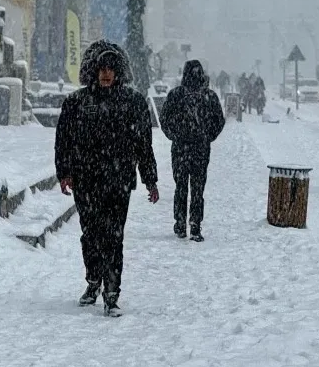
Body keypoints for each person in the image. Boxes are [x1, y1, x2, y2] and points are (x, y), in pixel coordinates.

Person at [55, 40, 160, 316]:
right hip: (86, 181)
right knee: (90, 234)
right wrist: (64, 172)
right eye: (101, 68)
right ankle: (93, 280)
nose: (106, 74)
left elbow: (143, 144)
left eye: (111, 69)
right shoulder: (77, 103)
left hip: (118, 181)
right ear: (93, 70)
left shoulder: (133, 103)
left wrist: (150, 179)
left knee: (114, 237)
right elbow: (63, 140)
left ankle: (112, 293)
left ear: (118, 71)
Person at [160, 60, 225, 241]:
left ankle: (180, 223)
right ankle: (195, 224)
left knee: (180, 187)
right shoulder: (209, 96)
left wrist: (175, 135)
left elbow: (164, 119)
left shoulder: (176, 95)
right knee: (198, 188)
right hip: (200, 149)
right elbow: (219, 121)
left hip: (180, 148)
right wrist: (207, 136)